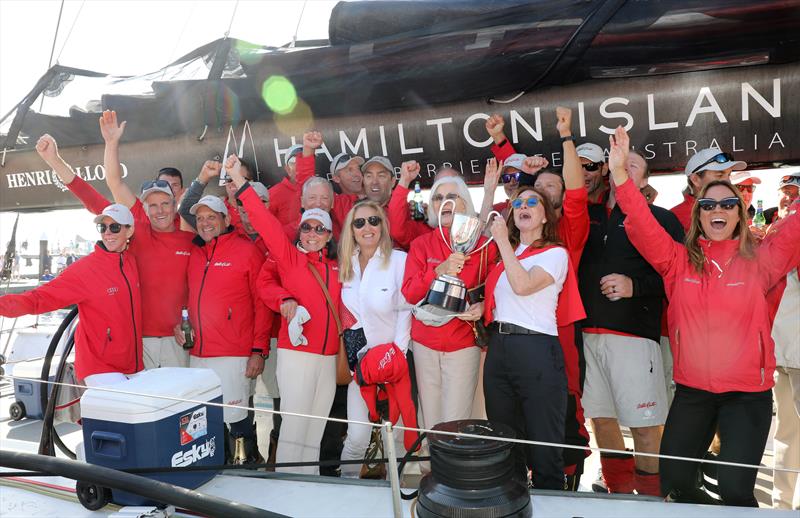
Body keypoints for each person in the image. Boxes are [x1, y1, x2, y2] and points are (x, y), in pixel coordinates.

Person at [607, 125, 800, 506]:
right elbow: (642, 222)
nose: (718, 209)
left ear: (740, 213)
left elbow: (795, 229)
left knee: (733, 490)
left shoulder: (761, 260)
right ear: (698, 213)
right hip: (693, 394)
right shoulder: (677, 260)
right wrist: (618, 176)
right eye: (709, 204)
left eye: (728, 204)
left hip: (747, 396)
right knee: (675, 484)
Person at [36, 113, 195, 370]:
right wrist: (110, 144)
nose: (160, 210)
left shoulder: (190, 237)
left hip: (177, 341)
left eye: (166, 201)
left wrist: (192, 322)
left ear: (176, 199)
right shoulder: (134, 228)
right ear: (143, 206)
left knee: (179, 407)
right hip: (137, 341)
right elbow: (109, 183)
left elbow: (203, 288)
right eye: (152, 204)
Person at [578, 128, 685, 496]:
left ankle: (651, 501)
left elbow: (678, 278)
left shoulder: (662, 219)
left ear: (644, 180)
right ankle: (618, 495)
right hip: (588, 337)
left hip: (635, 339)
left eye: (632, 164)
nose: (622, 165)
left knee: (644, 425)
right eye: (618, 161)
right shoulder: (588, 216)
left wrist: (634, 286)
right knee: (602, 422)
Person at [227, 154, 342, 476]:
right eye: (307, 226)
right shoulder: (290, 258)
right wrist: (239, 180)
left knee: (316, 427)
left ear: (330, 235)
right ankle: (290, 485)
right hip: (297, 356)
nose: (312, 232)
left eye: (321, 228)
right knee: (294, 425)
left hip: (329, 358)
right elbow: (264, 222)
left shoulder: (338, 267)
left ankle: (309, 483)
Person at [476, 185, 584, 489]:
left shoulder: (555, 253)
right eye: (518, 202)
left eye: (532, 202)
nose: (523, 206)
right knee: (504, 440)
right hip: (500, 350)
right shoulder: (507, 256)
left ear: (546, 217)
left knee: (544, 443)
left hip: (536, 349)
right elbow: (507, 301)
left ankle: (552, 501)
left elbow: (523, 286)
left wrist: (502, 242)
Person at [0, 204, 142, 387]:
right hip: (100, 366)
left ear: (129, 231)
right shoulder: (85, 270)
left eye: (114, 227)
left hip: (132, 364)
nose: (107, 233)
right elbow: (40, 298)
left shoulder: (131, 261)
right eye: (103, 227)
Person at [402, 175, 498, 442]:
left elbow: (496, 289)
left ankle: (454, 478)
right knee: (430, 419)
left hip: (463, 343)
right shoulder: (421, 244)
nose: (444, 203)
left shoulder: (482, 245)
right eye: (438, 198)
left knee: (456, 420)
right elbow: (409, 292)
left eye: (451, 197)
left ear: (465, 203)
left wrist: (482, 306)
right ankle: (433, 474)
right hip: (424, 343)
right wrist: (438, 271)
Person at [176, 193, 268, 464]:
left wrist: (259, 350)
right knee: (202, 418)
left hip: (234, 353)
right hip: (198, 353)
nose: (205, 223)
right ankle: (213, 466)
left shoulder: (246, 251)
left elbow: (262, 305)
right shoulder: (195, 253)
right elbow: (186, 299)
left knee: (236, 417)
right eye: (201, 218)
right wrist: (178, 325)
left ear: (226, 219)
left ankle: (246, 465)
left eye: (211, 217)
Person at [337, 200, 412, 477]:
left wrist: (397, 357)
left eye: (373, 220)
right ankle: (347, 491)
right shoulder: (345, 265)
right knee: (357, 437)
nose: (367, 227)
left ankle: (398, 498)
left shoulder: (400, 261)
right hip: (361, 367)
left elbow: (407, 310)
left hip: (395, 365)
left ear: (383, 225)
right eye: (359, 222)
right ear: (351, 230)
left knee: (396, 439)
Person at [765, 171, 800, 509]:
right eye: (786, 192)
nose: (790, 198)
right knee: (786, 434)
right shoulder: (772, 232)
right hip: (780, 354)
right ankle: (781, 504)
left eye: (797, 194)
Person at [671, 148, 747, 231]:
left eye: (728, 175)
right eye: (719, 175)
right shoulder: (675, 217)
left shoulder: (733, 209)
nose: (728, 181)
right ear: (695, 179)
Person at [268, 144, 304, 227]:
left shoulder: (319, 189)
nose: (302, 167)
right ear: (288, 169)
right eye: (297, 163)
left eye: (305, 163)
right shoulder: (274, 193)